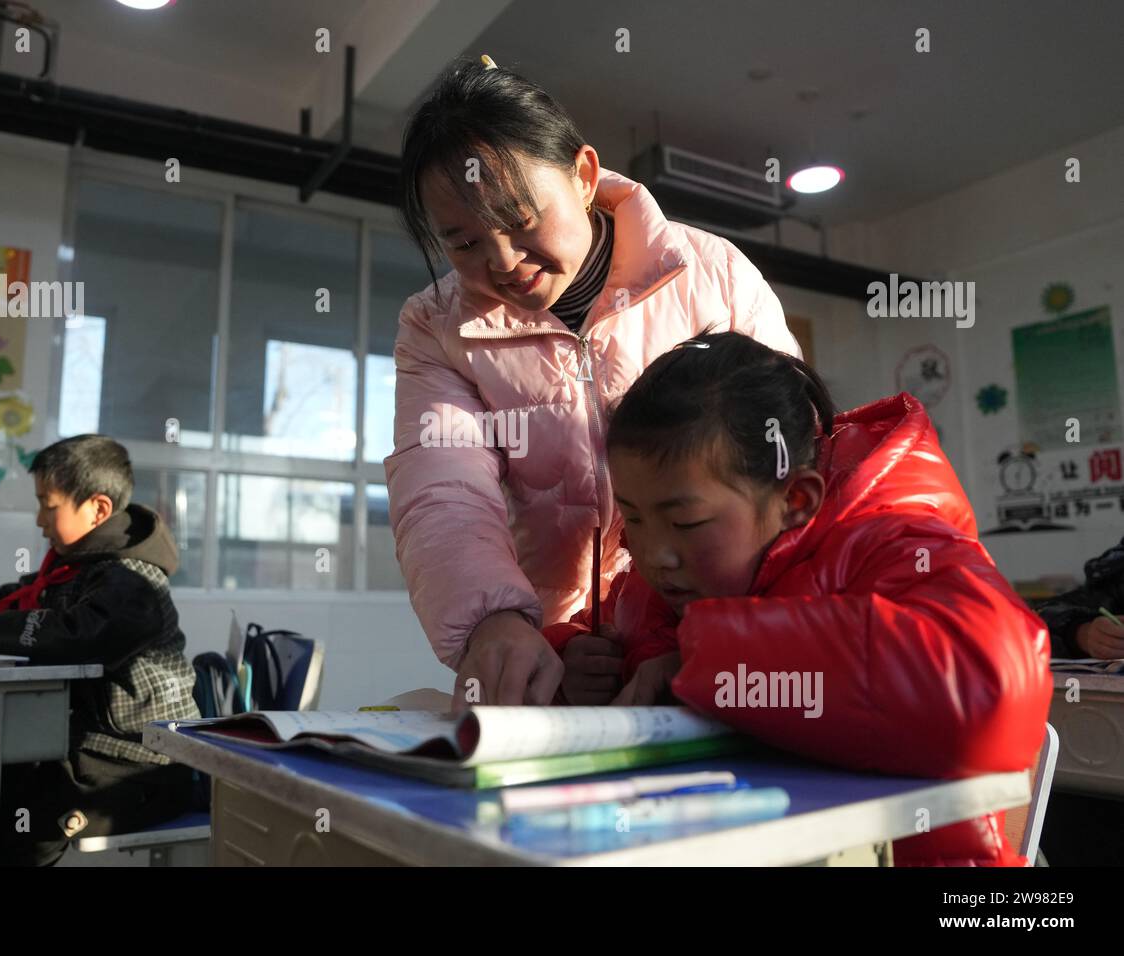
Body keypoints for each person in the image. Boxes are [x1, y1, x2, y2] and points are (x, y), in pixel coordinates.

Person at [545, 332, 1051, 865]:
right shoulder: (659, 584)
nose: (653, 554)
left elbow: (991, 686)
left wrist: (703, 662)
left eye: (685, 522)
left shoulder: (891, 540)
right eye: (636, 517)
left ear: (795, 500)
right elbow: (602, 640)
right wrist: (572, 665)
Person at [385, 56, 797, 707]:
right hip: (546, 657)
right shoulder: (436, 328)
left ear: (582, 175)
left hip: (715, 638)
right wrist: (501, 626)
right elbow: (443, 486)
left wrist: (695, 639)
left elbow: (787, 460)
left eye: (521, 220)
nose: (503, 261)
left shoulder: (710, 276)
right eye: (463, 244)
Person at [0, 434, 200, 865]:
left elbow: (78, 635)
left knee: (15, 812)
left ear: (98, 508)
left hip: (144, 765)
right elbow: (17, 598)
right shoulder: (74, 568)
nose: (40, 519)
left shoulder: (133, 580)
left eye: (50, 504)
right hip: (88, 752)